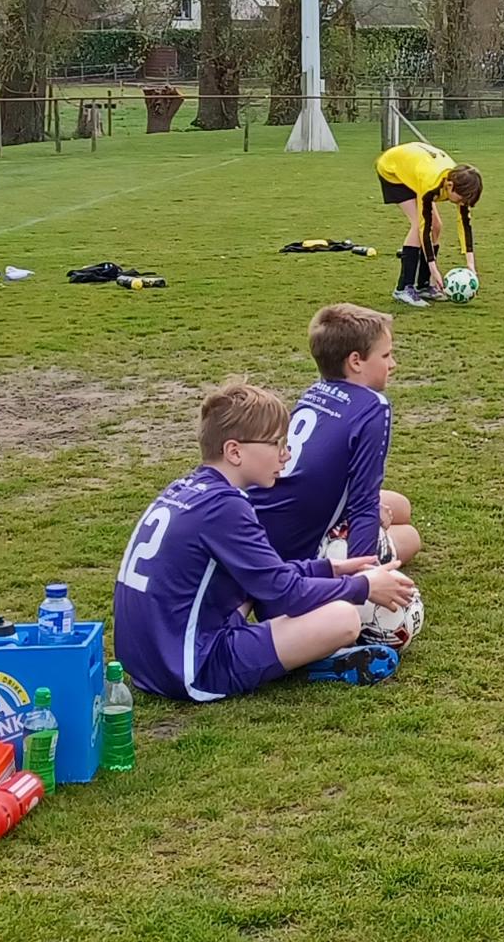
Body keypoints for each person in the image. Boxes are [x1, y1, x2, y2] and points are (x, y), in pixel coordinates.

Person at [112, 383, 416, 701]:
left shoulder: (187, 488)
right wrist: (363, 587)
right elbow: (287, 594)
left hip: (144, 662)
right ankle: (312, 663)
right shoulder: (227, 507)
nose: (286, 454)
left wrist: (329, 568)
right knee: (344, 619)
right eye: (275, 444)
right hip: (190, 669)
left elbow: (268, 576)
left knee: (251, 587)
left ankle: (292, 654)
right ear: (234, 451)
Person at [249, 303, 425, 575]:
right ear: (356, 361)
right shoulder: (373, 406)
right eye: (386, 355)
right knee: (410, 538)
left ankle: (338, 532)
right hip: (296, 543)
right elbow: (364, 501)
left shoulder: (316, 390)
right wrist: (365, 577)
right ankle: (332, 548)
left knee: (400, 505)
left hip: (266, 520)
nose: (393, 364)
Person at [376, 139, 482, 307]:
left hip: (416, 169)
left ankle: (424, 286)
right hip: (392, 169)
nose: (463, 203)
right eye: (461, 199)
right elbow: (424, 228)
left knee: (437, 226)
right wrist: (434, 269)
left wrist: (471, 265)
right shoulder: (431, 184)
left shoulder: (459, 185)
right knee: (418, 225)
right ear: (449, 186)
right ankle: (403, 289)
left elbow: (465, 224)